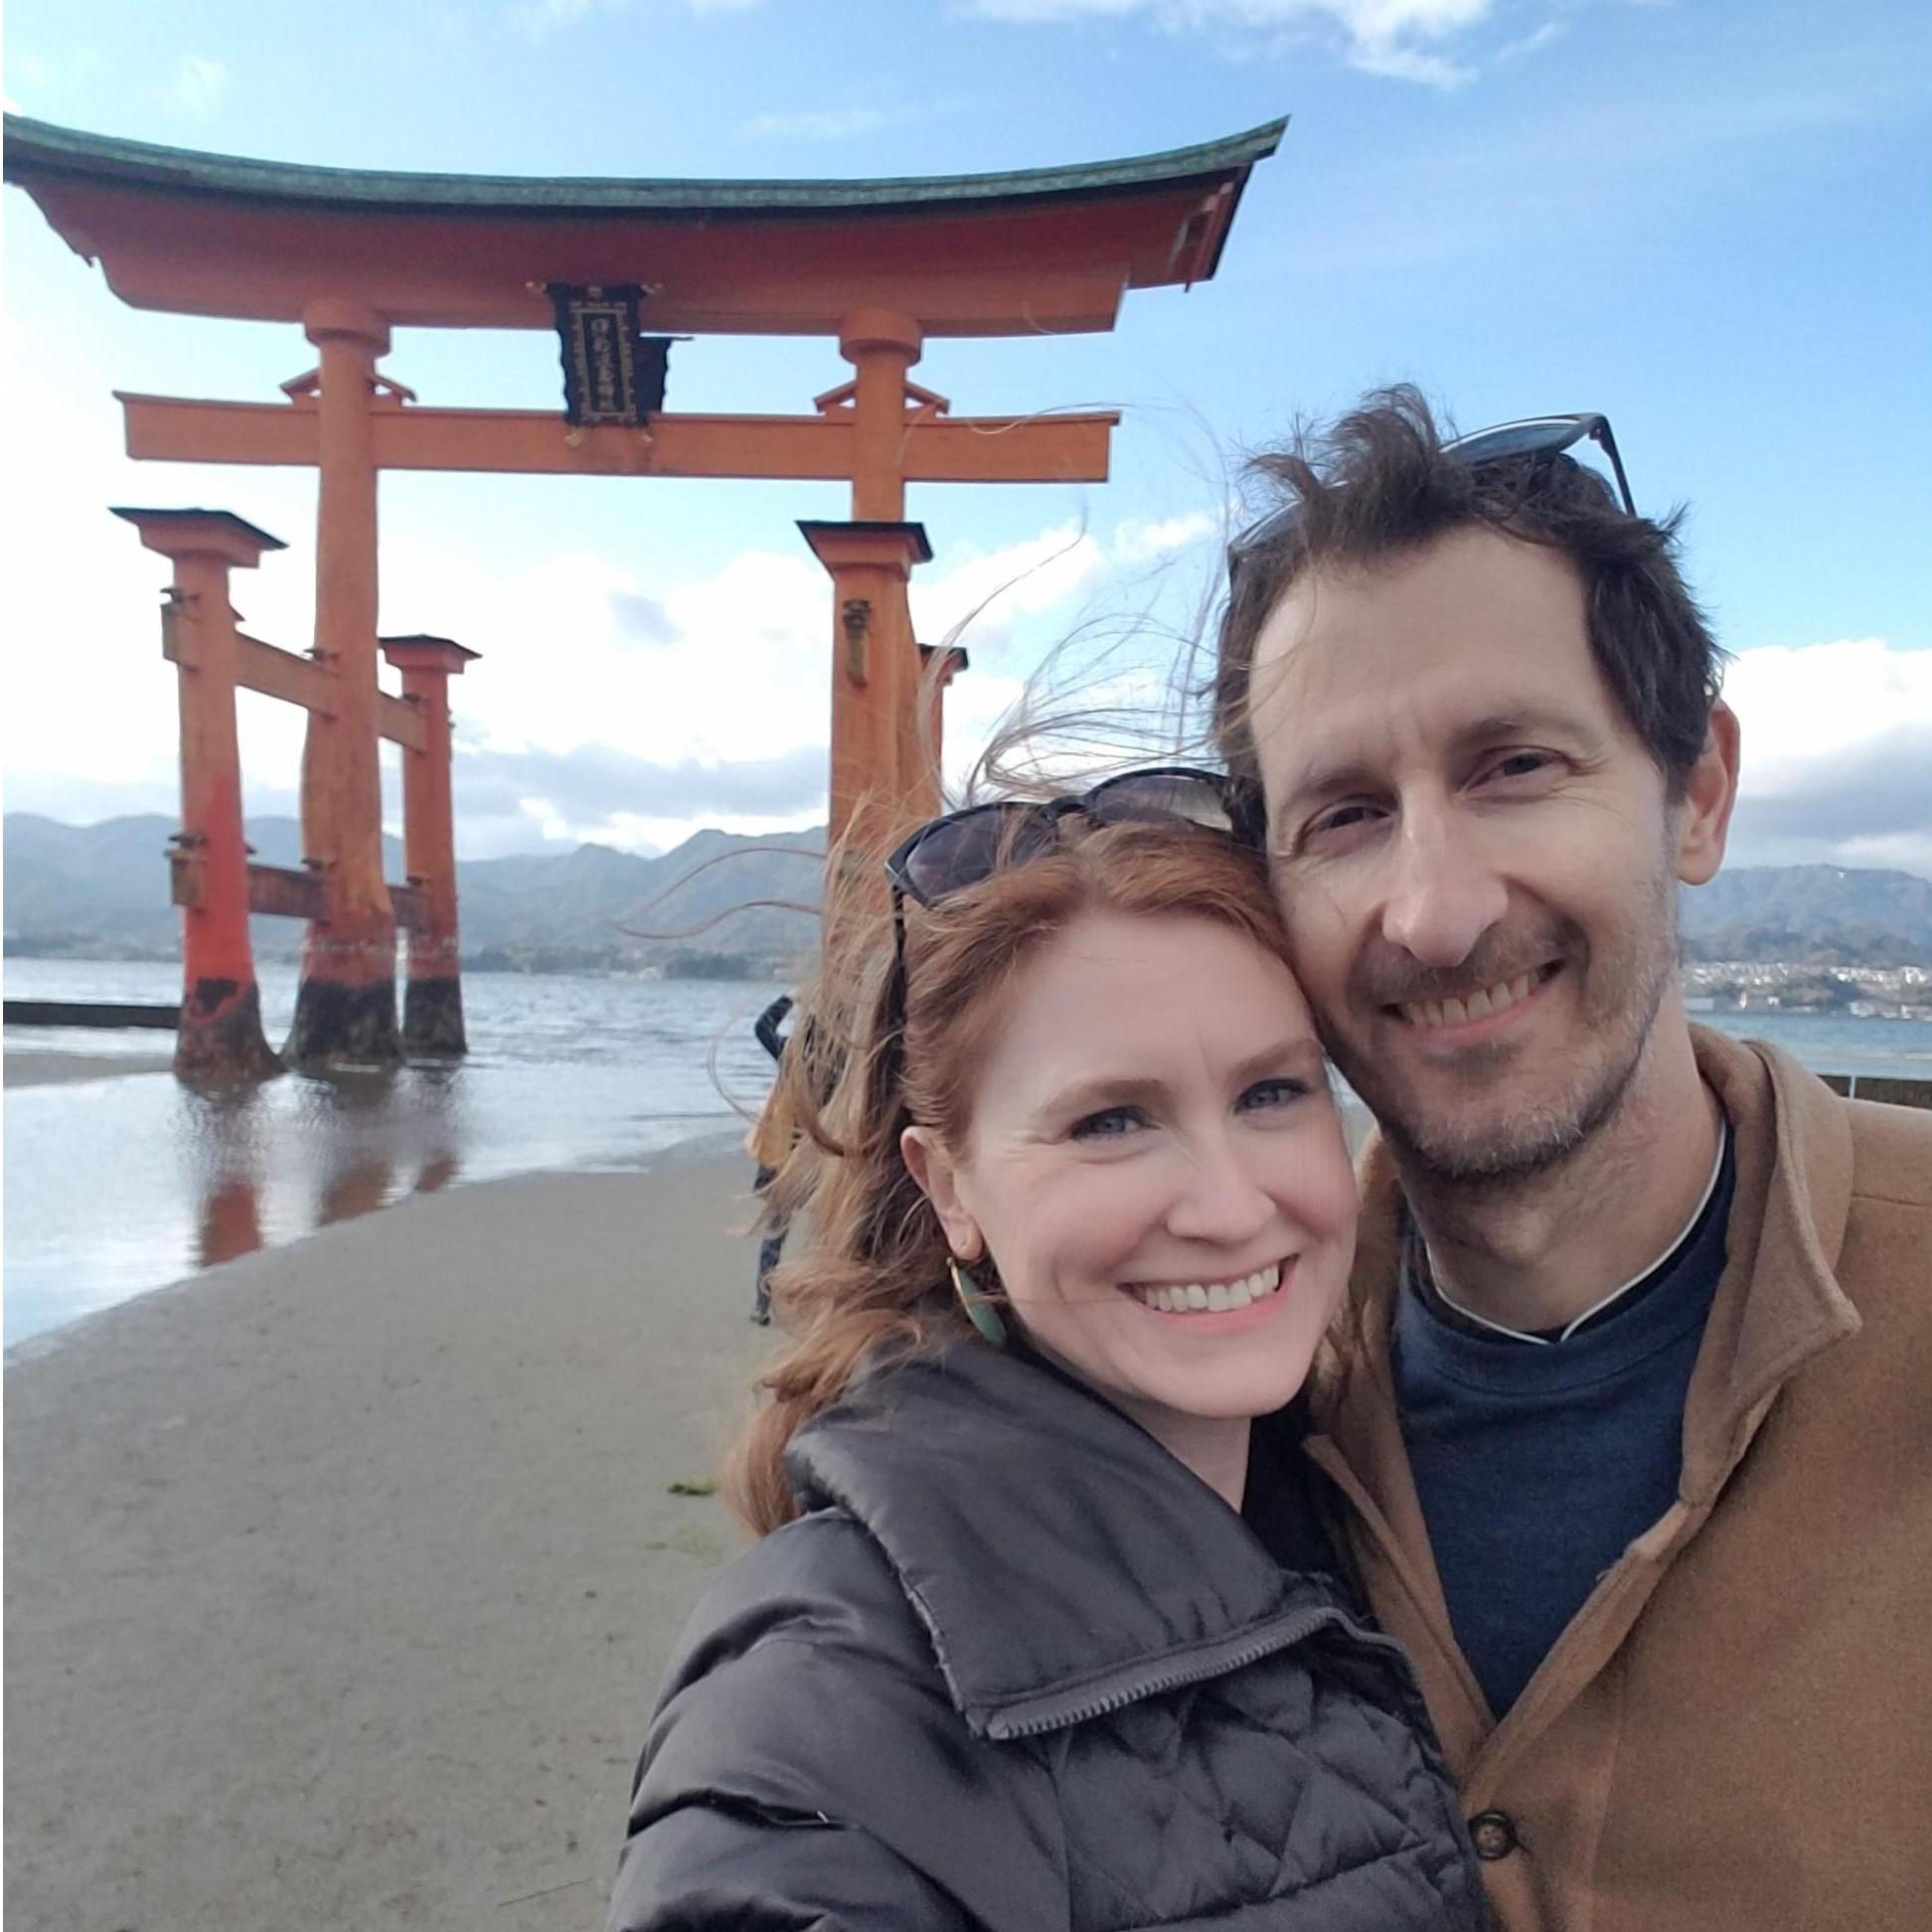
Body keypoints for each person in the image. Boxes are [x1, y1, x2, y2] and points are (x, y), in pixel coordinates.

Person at [1213, 388, 1932, 1932]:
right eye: (1342, 814)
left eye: (1516, 766)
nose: (1434, 911)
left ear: (1700, 792)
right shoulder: (1205, 1389)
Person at [607, 788, 1488, 1931]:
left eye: (1273, 1092)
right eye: (1110, 1121)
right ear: (949, 1188)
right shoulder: (823, 1705)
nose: (1230, 1206)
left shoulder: (1347, 1518)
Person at [742, 989, 797, 1324]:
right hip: (826, 1156)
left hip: (786, 1155)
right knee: (835, 1229)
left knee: (776, 1231)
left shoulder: (792, 1053)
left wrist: (789, 998)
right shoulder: (842, 1060)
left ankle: (762, 1304)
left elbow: (762, 1027)